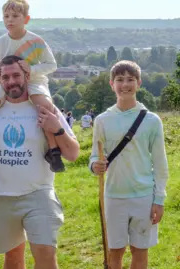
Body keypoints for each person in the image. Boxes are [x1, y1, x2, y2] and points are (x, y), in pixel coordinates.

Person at [0, 55, 79, 269]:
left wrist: (56, 128)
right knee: (13, 260)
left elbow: (73, 153)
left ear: (27, 75)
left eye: (16, 75)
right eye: (6, 77)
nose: (12, 81)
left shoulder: (45, 109)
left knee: (46, 258)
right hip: (0, 196)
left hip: (38, 194)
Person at [0, 0, 64, 173]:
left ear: (26, 19)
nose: (10, 20)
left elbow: (51, 65)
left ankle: (53, 150)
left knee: (45, 106)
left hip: (33, 81)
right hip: (6, 83)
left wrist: (31, 70)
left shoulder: (36, 41)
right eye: (6, 16)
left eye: (15, 16)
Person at [89, 60, 169, 269]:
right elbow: (93, 157)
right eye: (120, 80)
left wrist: (158, 199)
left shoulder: (152, 120)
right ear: (111, 84)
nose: (125, 84)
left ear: (139, 83)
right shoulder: (102, 120)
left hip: (143, 196)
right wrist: (94, 166)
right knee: (114, 251)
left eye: (130, 80)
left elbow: (160, 164)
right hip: (114, 195)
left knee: (139, 251)